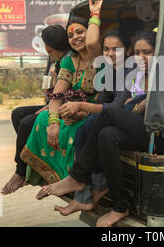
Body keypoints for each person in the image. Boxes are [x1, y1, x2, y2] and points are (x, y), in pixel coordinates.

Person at [42, 31, 156, 227]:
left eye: (147, 52)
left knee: (105, 115)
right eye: (137, 52)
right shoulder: (135, 74)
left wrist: (136, 105)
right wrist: (136, 105)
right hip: (134, 127)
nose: (141, 57)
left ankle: (78, 177)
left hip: (156, 133)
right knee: (105, 134)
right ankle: (118, 205)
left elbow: (139, 108)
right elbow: (125, 105)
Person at [20, 7, 103, 199]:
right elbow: (56, 96)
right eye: (70, 35)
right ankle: (54, 176)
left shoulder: (99, 57)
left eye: (80, 32)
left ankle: (73, 181)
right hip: (71, 110)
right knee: (41, 118)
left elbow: (91, 41)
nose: (75, 38)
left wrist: (95, 14)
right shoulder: (69, 62)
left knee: (75, 131)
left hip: (94, 111)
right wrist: (54, 122)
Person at [54, 28, 134, 216]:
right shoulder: (110, 69)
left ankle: (80, 183)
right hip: (115, 119)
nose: (110, 54)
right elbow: (103, 101)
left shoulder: (131, 69)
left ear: (128, 50)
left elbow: (116, 107)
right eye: (106, 49)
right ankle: (88, 190)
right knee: (85, 126)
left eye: (116, 50)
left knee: (88, 128)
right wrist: (82, 113)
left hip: (132, 121)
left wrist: (82, 106)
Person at [1, 25, 70, 195]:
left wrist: (50, 106)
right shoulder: (59, 61)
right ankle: (36, 160)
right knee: (18, 113)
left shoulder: (69, 60)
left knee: (26, 123)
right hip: (57, 102)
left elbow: (71, 91)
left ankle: (21, 171)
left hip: (69, 105)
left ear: (47, 48)